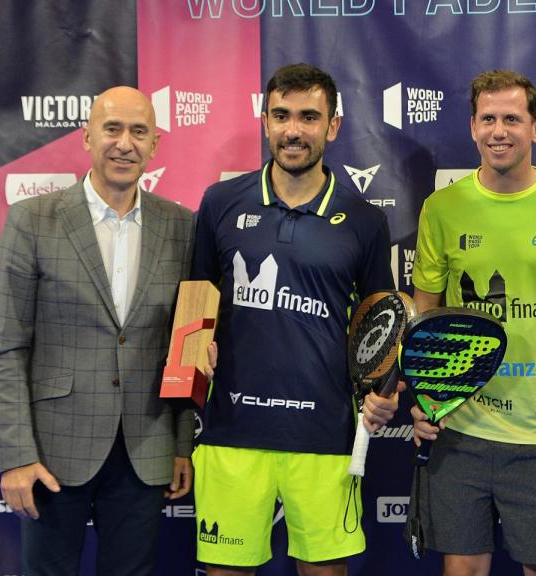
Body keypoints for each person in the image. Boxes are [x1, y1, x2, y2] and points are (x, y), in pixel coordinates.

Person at [189, 63, 400, 576]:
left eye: (309, 117)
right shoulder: (221, 202)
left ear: (332, 126)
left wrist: (385, 390)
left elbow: (383, 319)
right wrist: (195, 341)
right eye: (281, 115)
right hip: (232, 431)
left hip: (325, 435)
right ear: (265, 120)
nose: (293, 130)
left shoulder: (365, 220)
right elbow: (196, 295)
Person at [0, 86, 201, 575]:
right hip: (52, 451)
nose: (125, 143)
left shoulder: (181, 225)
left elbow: (186, 345)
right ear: (86, 137)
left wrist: (181, 444)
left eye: (139, 132)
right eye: (112, 128)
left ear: (155, 145)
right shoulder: (32, 220)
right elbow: (5, 349)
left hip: (145, 450)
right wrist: (16, 455)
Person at [408, 69, 536, 576]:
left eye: (513, 119)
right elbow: (424, 310)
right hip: (460, 424)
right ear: (473, 127)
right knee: (463, 568)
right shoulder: (441, 208)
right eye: (488, 118)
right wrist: (424, 396)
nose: (499, 130)